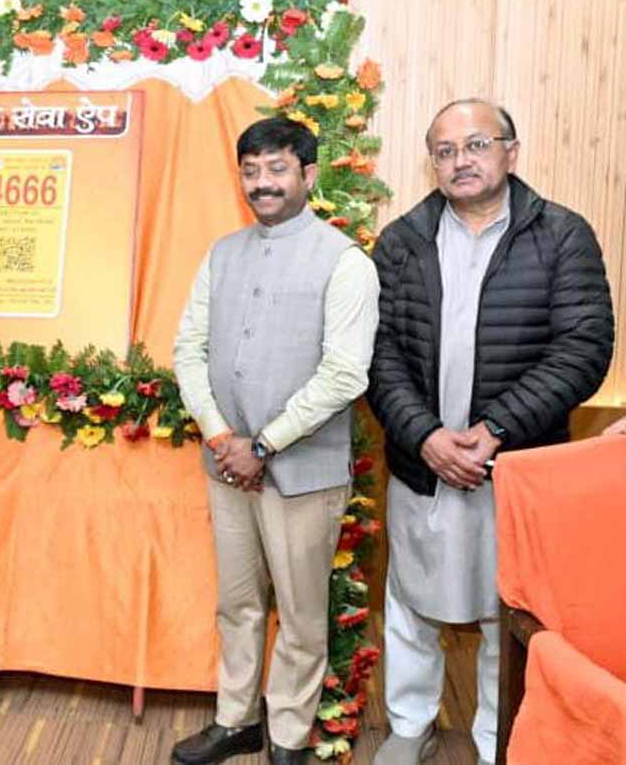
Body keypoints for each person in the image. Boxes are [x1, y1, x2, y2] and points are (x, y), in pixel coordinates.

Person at [368, 99, 614, 765]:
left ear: (511, 151)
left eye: (477, 144)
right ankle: (409, 725)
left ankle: (494, 739)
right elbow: (379, 353)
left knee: (507, 607)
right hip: (423, 461)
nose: (461, 160)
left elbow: (585, 348)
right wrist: (424, 435)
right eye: (445, 150)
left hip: (517, 468)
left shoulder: (562, 235)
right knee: (410, 599)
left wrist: (496, 429)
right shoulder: (402, 240)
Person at [171, 117, 380, 765]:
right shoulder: (222, 253)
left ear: (308, 175)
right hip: (228, 465)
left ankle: (288, 733)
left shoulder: (344, 262)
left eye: (277, 168)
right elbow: (188, 350)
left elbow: (344, 374)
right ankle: (236, 719)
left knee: (300, 612)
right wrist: (222, 436)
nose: (262, 183)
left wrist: (261, 445)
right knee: (237, 603)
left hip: (303, 473)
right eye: (251, 170)